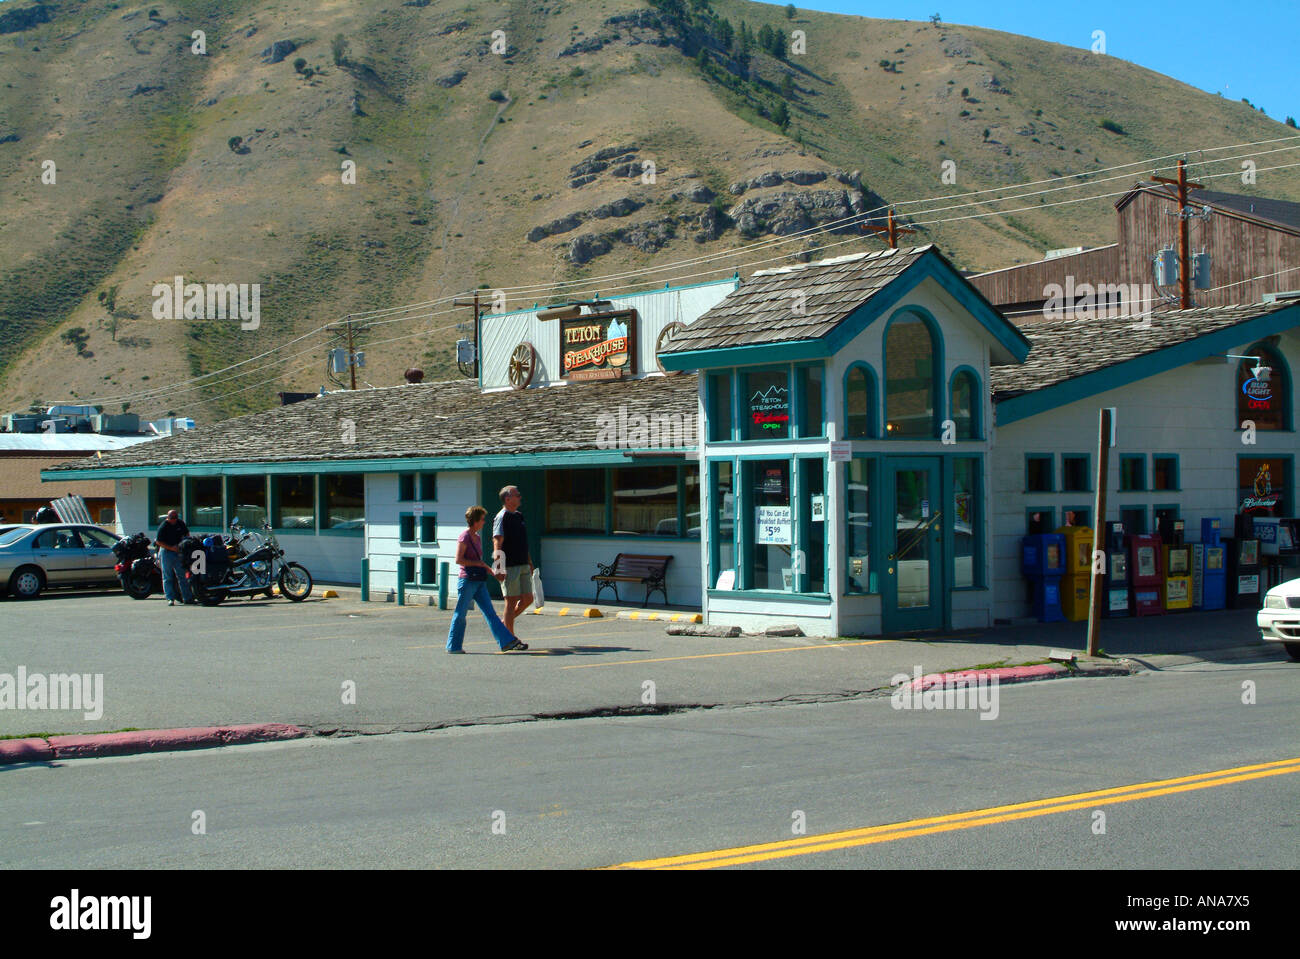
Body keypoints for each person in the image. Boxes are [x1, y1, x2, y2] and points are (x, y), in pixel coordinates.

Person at [447, 506, 527, 654]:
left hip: (479, 581)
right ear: (476, 521)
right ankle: (453, 646)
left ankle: (506, 642)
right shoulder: (464, 536)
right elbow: (459, 559)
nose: (484, 522)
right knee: (461, 613)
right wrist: (479, 564)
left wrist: (493, 573)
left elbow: (480, 561)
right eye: (482, 519)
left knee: (490, 613)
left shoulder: (477, 538)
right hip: (467, 580)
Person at [493, 485, 535, 636]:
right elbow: (497, 542)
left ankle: (504, 624)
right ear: (507, 498)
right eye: (517, 495)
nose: (520, 497)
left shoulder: (519, 515)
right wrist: (499, 566)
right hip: (510, 566)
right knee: (510, 602)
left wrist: (529, 562)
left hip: (523, 563)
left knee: (528, 598)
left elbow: (523, 542)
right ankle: (509, 638)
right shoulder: (501, 517)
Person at [155, 509, 195, 606]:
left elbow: (187, 534)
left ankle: (187, 597)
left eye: (176, 517)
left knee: (182, 575)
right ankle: (170, 598)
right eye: (172, 518)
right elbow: (158, 542)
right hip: (166, 552)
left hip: (178, 552)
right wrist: (171, 548)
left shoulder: (180, 523)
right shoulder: (163, 526)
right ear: (168, 517)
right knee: (167, 576)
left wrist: (184, 543)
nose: (174, 520)